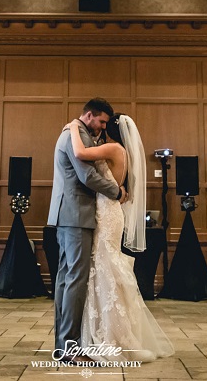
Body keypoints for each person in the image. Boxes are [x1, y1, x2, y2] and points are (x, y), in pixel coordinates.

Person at [63, 112, 174, 363]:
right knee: (106, 266)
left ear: (110, 129)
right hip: (110, 210)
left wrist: (73, 127)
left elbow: (80, 152)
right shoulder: (123, 152)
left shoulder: (113, 149)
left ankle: (111, 334)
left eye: (104, 123)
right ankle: (111, 330)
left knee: (104, 266)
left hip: (106, 212)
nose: (101, 126)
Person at [47, 98, 125, 363]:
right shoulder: (76, 134)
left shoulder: (76, 132)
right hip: (76, 215)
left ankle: (63, 345)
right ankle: (69, 348)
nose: (103, 127)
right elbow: (87, 176)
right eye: (101, 121)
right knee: (75, 280)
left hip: (69, 214)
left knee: (66, 279)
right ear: (89, 115)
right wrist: (117, 192)